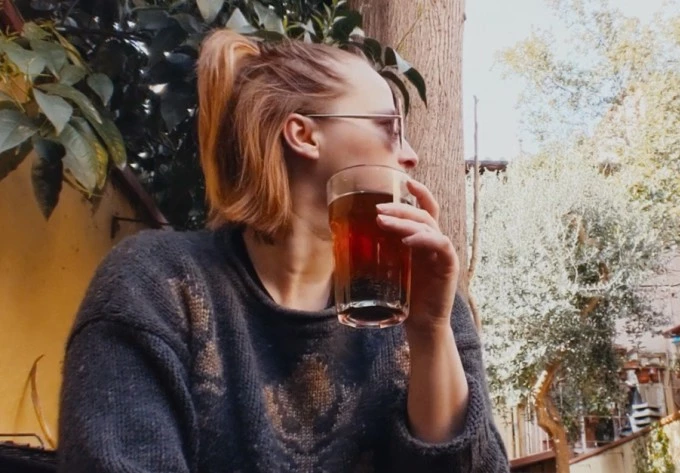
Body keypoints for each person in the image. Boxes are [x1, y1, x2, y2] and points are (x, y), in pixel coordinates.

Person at [57, 29, 509, 473]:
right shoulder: (156, 285)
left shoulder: (424, 293)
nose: (411, 155)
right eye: (389, 127)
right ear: (303, 135)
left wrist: (430, 333)